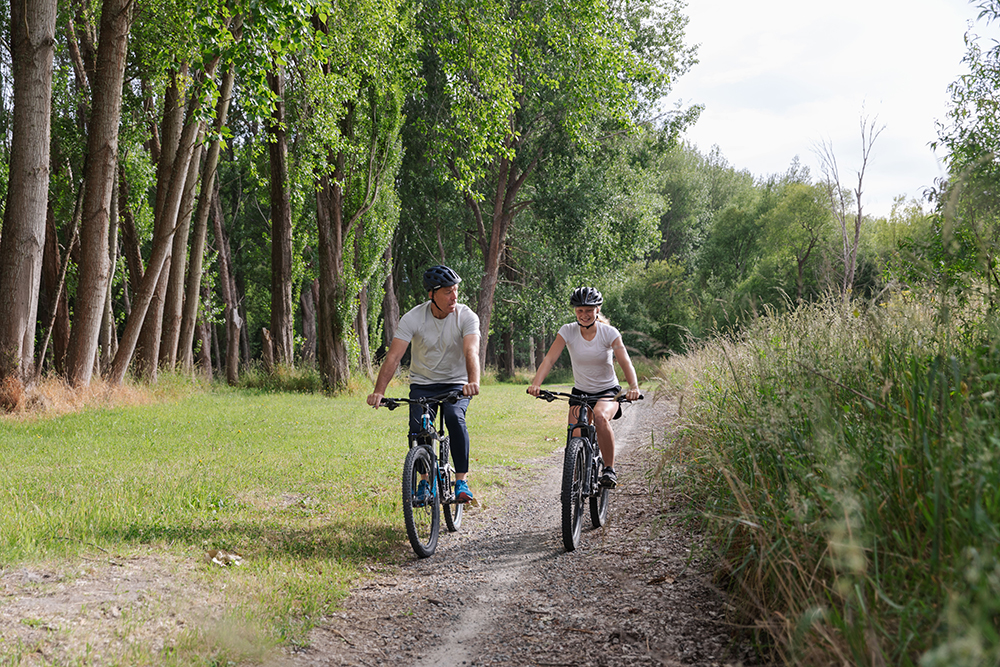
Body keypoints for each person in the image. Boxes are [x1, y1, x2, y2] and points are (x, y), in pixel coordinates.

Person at [367, 265, 481, 503]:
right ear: (432, 294)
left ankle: (461, 480)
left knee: (453, 417)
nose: (454, 296)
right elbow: (394, 357)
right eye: (448, 291)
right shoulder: (413, 318)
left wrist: (473, 381)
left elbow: (471, 351)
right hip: (423, 384)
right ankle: (424, 482)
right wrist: (379, 391)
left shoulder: (466, 316)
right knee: (418, 427)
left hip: (456, 384)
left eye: (456, 290)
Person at [526, 286, 640, 489]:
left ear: (597, 309)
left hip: (608, 391)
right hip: (581, 393)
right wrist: (536, 384)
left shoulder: (609, 333)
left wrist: (634, 387)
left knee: (600, 416)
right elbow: (550, 359)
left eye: (589, 310)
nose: (584, 315)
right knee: (575, 434)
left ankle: (608, 469)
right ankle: (577, 481)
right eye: (580, 310)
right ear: (575, 311)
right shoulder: (567, 331)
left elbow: (624, 361)